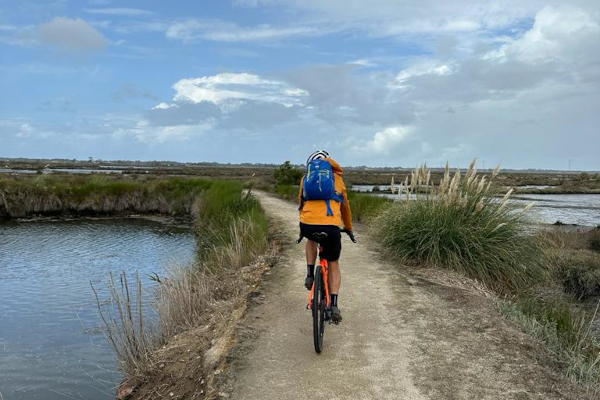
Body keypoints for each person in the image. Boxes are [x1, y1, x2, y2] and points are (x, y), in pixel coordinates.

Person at [298, 150, 353, 323]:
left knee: (311, 239)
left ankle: (309, 273)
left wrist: (302, 228)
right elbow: (345, 208)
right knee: (333, 262)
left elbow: (301, 202)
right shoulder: (338, 180)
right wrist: (349, 228)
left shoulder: (305, 179)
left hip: (307, 224)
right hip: (330, 227)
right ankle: (334, 304)